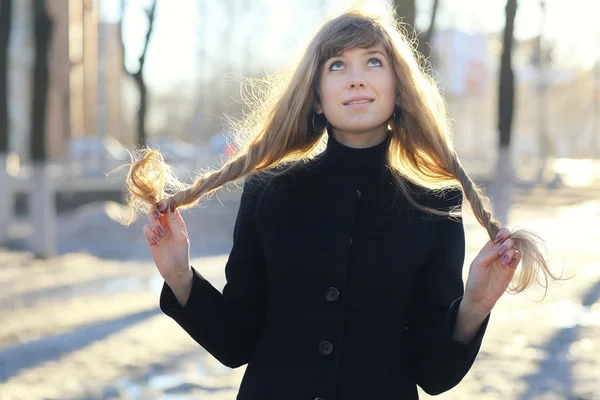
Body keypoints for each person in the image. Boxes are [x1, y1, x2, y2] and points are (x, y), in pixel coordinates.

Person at [123, 6, 560, 400]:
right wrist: (180, 277)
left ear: (399, 87)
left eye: (374, 61)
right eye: (337, 65)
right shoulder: (269, 190)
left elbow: (433, 373)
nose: (356, 78)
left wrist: (473, 308)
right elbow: (236, 342)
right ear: (315, 94)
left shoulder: (433, 202)